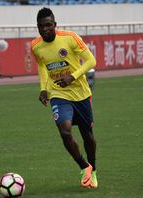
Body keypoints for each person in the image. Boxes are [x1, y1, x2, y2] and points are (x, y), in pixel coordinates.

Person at [31, 7, 98, 188]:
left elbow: (91, 61)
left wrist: (72, 77)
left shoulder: (70, 38)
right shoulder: (36, 46)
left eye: (48, 25)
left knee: (88, 136)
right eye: (40, 27)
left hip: (81, 93)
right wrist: (43, 88)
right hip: (58, 94)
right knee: (65, 131)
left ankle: (94, 169)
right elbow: (43, 66)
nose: (44, 30)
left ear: (55, 25)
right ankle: (84, 167)